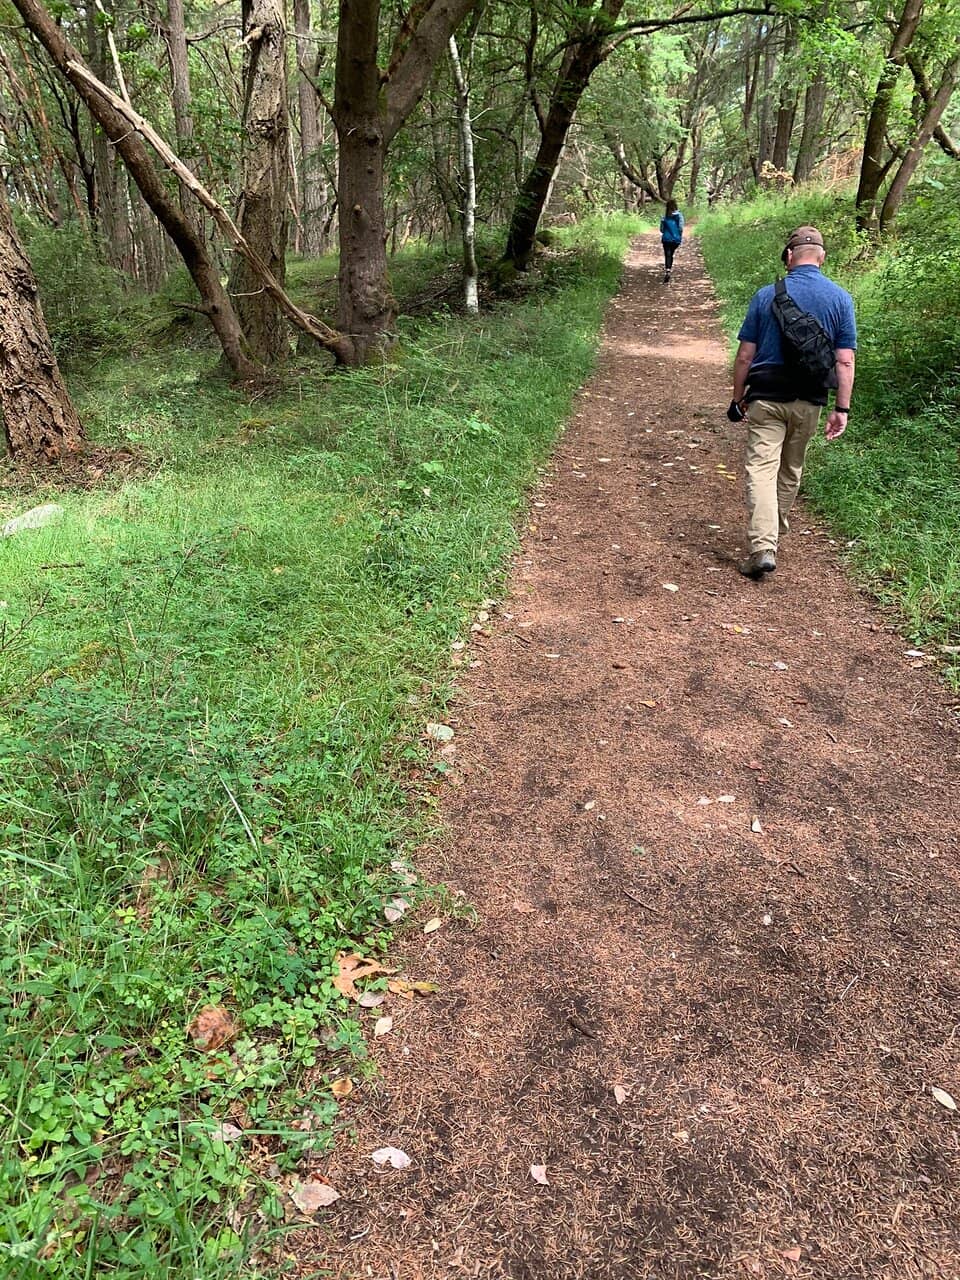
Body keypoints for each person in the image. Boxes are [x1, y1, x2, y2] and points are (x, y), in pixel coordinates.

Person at [728, 225, 856, 579]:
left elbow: (744, 356)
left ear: (788, 256)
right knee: (790, 468)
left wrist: (738, 397)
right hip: (811, 399)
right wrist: (841, 408)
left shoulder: (765, 295)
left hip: (767, 397)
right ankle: (773, 535)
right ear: (822, 257)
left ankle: (763, 546)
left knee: (761, 469)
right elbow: (844, 360)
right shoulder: (841, 299)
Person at [660, 200, 684, 283]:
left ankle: (668, 270)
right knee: (671, 254)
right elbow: (680, 228)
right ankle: (669, 269)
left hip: (666, 239)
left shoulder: (665, 217)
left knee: (667, 254)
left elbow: (662, 230)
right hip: (675, 239)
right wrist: (679, 236)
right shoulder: (679, 216)